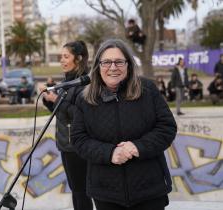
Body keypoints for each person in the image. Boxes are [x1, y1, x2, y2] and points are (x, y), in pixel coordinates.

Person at [71, 39, 177, 210]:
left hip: (149, 189)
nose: (113, 67)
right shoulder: (84, 99)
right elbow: (78, 139)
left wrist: (138, 147)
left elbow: (167, 127)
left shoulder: (147, 89)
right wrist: (110, 153)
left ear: (128, 64)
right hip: (106, 192)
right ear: (98, 66)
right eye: (106, 62)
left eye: (119, 61)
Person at [42, 40, 93, 210]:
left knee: (81, 192)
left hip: (77, 146)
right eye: (60, 57)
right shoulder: (68, 81)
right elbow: (62, 113)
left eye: (66, 56)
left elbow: (80, 115)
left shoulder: (84, 83)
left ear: (78, 59)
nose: (62, 60)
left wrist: (56, 99)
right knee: (76, 190)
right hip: (66, 144)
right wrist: (49, 99)